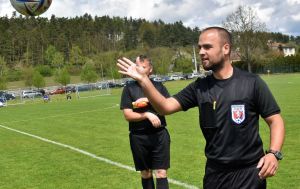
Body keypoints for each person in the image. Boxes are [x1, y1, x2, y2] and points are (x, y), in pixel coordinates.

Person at [117, 27, 285, 189]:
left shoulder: (252, 82)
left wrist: (273, 153)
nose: (201, 52)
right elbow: (165, 107)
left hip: (249, 173)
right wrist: (144, 80)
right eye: (200, 47)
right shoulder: (200, 87)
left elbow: (275, 120)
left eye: (207, 47)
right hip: (215, 173)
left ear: (226, 48)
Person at [120, 55, 171, 189]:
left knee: (161, 172)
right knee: (146, 173)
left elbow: (168, 107)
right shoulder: (129, 88)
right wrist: (146, 114)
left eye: (143, 67)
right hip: (138, 137)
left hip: (159, 135)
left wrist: (148, 101)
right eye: (138, 66)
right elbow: (127, 115)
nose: (140, 69)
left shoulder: (159, 87)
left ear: (150, 70)